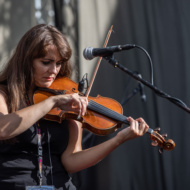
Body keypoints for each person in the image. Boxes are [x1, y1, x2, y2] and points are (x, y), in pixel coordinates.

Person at [0, 24, 149, 190]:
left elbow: (71, 160)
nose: (54, 70)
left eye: (59, 63)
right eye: (46, 62)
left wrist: (118, 140)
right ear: (26, 60)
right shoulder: (4, 93)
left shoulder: (69, 99)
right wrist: (52, 102)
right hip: (14, 184)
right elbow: (3, 128)